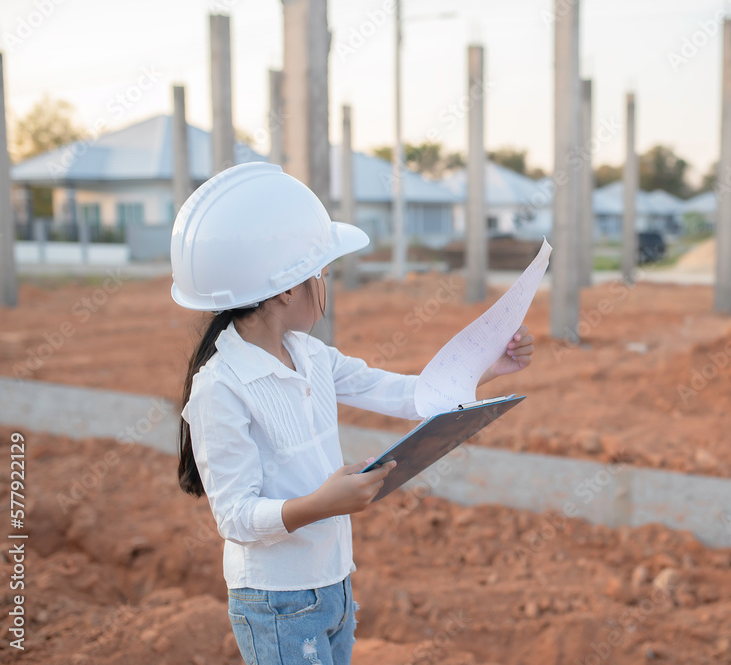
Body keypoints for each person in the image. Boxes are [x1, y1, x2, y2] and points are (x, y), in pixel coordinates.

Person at [170, 162, 534, 665]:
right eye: (323, 272)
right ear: (285, 289)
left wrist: (483, 370)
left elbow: (407, 396)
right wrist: (319, 503)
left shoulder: (312, 355)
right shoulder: (221, 387)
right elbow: (234, 517)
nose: (327, 283)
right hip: (277, 601)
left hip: (333, 583)